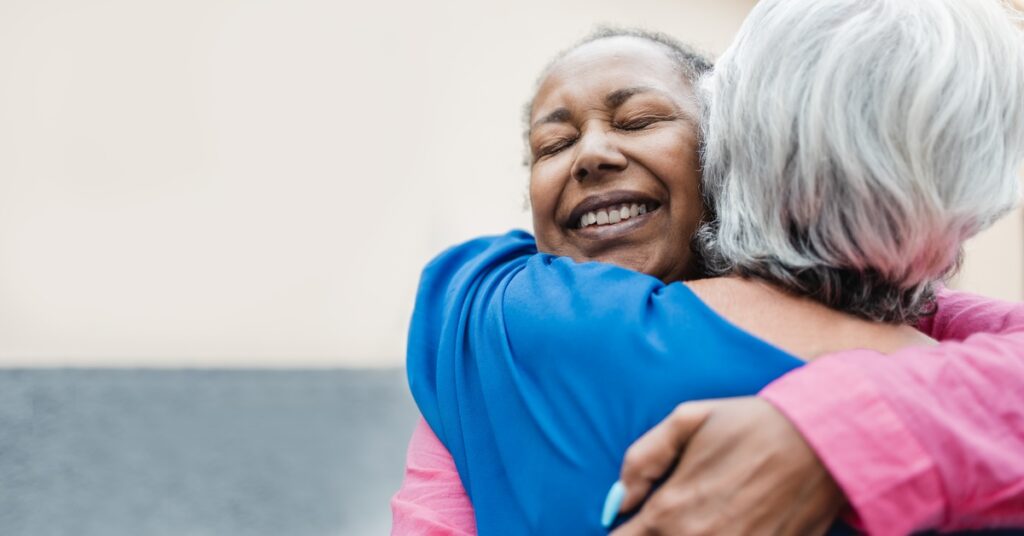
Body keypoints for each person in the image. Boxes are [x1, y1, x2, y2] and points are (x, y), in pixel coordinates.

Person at [394, 0, 1024, 533]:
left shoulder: (489, 316)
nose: (589, 154)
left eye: (639, 120)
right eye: (551, 147)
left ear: (725, 152)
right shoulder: (961, 388)